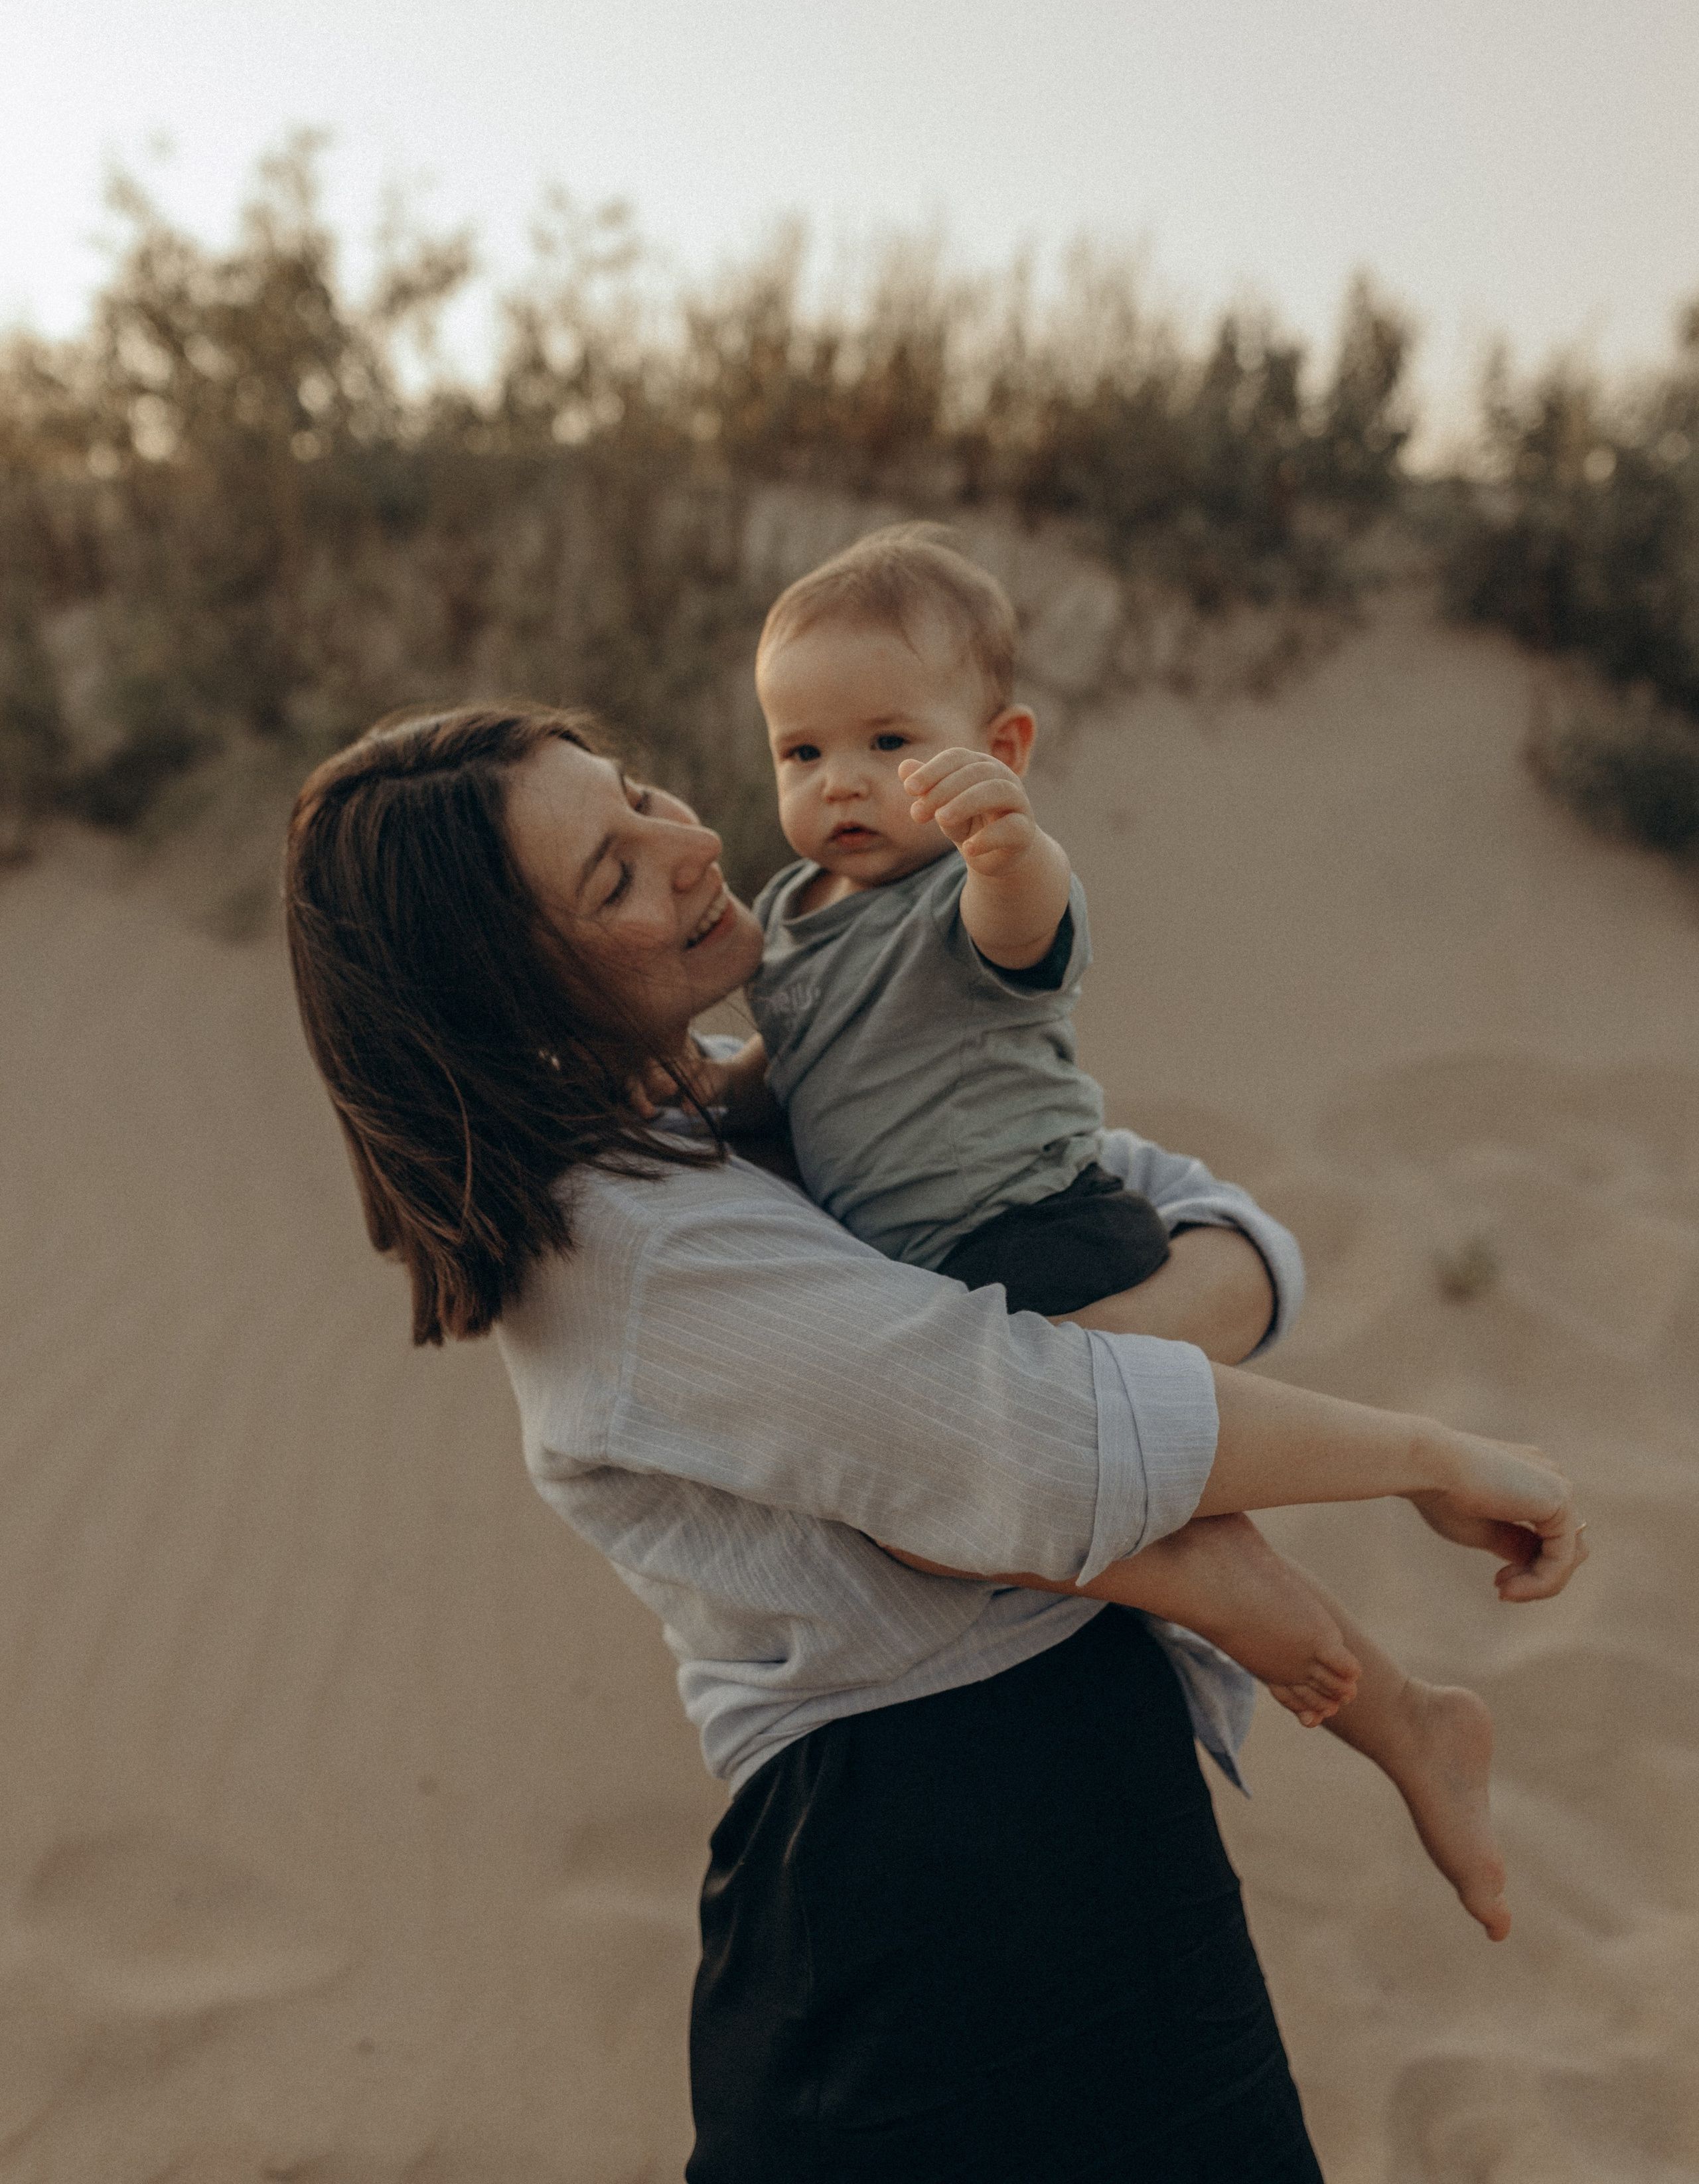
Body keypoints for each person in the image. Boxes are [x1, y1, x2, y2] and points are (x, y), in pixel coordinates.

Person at [283, 701, 1586, 2184]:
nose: (695, 839)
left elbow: (1108, 1181)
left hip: (1079, 1821)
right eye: (614, 875)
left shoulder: (743, 1099)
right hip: (921, 1908)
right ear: (510, 996)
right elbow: (1024, 1439)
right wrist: (1422, 1454)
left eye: (639, 792)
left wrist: (1198, 1283)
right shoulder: (625, 1256)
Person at [719, 524, 1527, 1930]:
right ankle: (1398, 1710)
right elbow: (798, 1079)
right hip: (948, 1274)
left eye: (888, 740)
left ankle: (1353, 1623)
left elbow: (1023, 933)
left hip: (1039, 1236)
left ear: (1000, 742)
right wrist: (709, 1091)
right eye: (800, 752)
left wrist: (1004, 841)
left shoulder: (964, 893)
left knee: (1051, 1491)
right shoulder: (793, 918)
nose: (839, 781)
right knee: (1102, 1506)